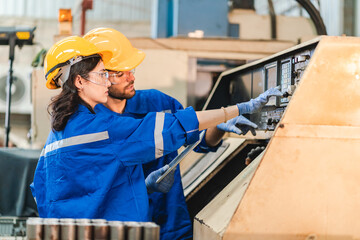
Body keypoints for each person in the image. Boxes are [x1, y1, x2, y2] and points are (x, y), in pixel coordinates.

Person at [83, 28, 282, 239]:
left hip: (172, 226)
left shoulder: (157, 103)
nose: (131, 77)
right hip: (124, 230)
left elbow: (201, 141)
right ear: (98, 76)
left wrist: (219, 125)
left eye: (131, 69)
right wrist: (143, 189)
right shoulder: (91, 127)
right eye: (120, 73)